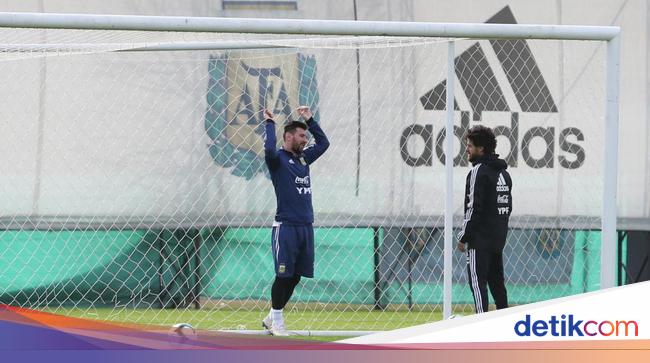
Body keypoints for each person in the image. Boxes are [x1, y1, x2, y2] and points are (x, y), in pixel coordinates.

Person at [261, 106, 330, 336]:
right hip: (286, 227)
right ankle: (277, 322)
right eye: (301, 136)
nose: (305, 139)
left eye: (306, 135)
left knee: (296, 275)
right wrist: (270, 124)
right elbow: (269, 149)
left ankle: (272, 315)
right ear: (289, 136)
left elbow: (323, 143)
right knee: (283, 275)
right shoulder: (277, 160)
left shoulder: (303, 158)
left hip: (305, 226)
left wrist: (309, 119)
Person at [457, 125, 512, 314]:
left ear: (481, 149)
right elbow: (506, 208)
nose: (467, 149)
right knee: (497, 285)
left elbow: (473, 207)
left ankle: (482, 326)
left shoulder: (477, 172)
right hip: (497, 240)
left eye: (470, 146)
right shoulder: (503, 173)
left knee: (477, 284)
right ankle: (506, 324)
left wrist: (464, 236)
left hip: (479, 241)